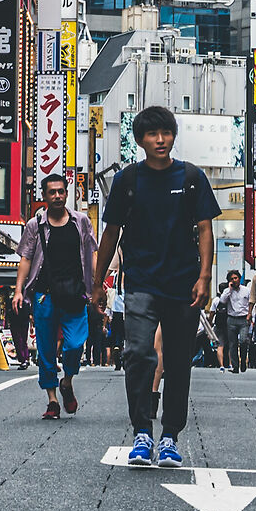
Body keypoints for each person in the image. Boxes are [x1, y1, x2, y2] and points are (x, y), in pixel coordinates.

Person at [95, 105, 221, 468]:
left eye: (166, 133)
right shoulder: (128, 180)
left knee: (179, 362)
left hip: (183, 284)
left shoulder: (192, 177)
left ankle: (169, 437)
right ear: (140, 140)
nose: (160, 140)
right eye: (152, 134)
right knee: (138, 354)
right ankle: (142, 432)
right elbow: (111, 232)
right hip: (140, 282)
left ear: (173, 136)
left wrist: (205, 277)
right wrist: (97, 283)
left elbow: (205, 229)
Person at [15, 173, 98, 419]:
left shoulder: (81, 221)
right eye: (52, 192)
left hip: (75, 293)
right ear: (44, 195)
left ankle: (67, 381)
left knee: (75, 344)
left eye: (61, 191)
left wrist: (97, 286)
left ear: (67, 193)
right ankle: (52, 400)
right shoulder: (35, 225)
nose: (58, 196)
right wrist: (19, 290)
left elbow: (91, 254)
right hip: (45, 296)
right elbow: (26, 258)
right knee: (46, 349)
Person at [215, 271, 252, 371]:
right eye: (232, 279)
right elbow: (222, 301)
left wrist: (250, 315)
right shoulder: (227, 291)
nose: (234, 280)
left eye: (236, 278)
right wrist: (229, 290)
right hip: (231, 318)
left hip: (243, 318)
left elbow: (251, 302)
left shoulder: (246, 290)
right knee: (232, 343)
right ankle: (235, 366)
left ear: (239, 279)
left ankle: (243, 360)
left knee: (243, 341)